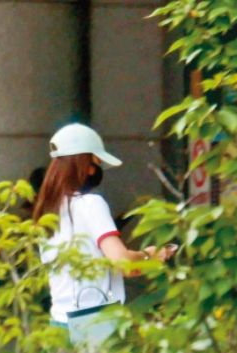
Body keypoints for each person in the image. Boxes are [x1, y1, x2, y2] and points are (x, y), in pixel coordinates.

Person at [32, 124, 176, 327]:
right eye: (96, 163)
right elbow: (122, 262)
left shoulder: (47, 211)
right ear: (86, 165)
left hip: (59, 323)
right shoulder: (90, 204)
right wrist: (149, 255)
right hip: (95, 324)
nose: (97, 170)